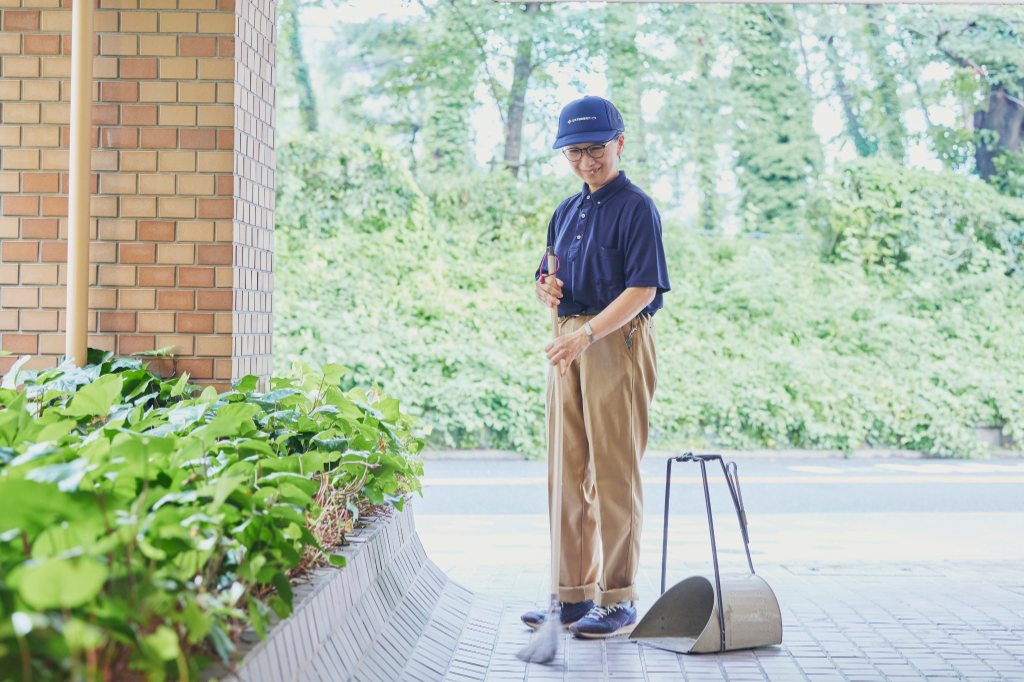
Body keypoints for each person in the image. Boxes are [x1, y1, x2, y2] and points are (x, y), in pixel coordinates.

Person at [522, 95, 671, 639]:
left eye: (596, 149)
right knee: (566, 472)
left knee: (614, 473)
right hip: (568, 343)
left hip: (614, 342)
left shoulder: (637, 207)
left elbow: (643, 289)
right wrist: (546, 288)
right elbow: (547, 273)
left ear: (620, 144)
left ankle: (619, 597)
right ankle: (571, 595)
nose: (586, 161)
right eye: (575, 151)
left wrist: (586, 333)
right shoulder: (565, 211)